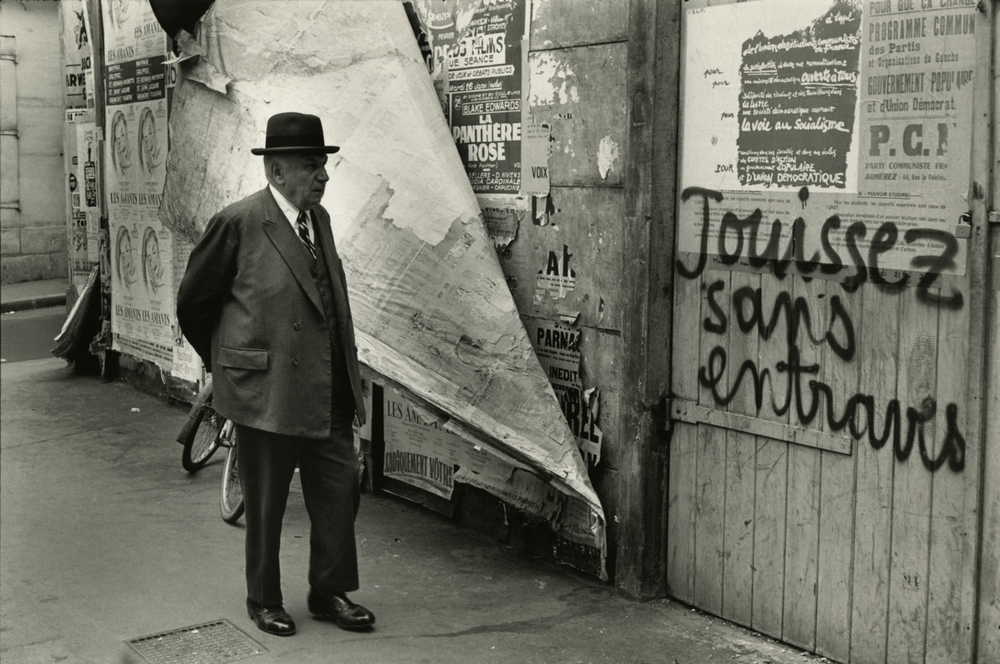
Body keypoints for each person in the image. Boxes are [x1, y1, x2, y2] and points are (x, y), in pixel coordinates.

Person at [177, 112, 374, 637]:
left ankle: (329, 591)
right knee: (265, 504)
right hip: (267, 391)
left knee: (341, 487)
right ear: (277, 171)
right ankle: (263, 599)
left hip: (328, 386)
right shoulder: (239, 223)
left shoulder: (319, 220)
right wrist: (231, 365)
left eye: (324, 164)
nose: (323, 175)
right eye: (312, 165)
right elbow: (193, 303)